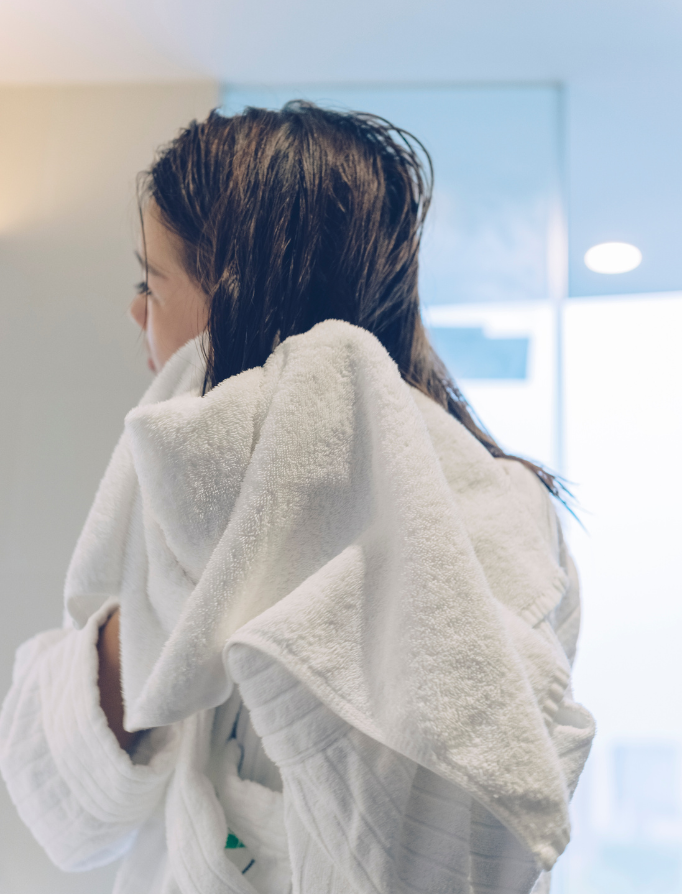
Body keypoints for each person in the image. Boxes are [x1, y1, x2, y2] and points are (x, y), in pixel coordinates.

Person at [0, 103, 594, 894]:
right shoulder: (181, 505)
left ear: (235, 299)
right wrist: (170, 595)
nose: (137, 313)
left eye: (153, 281)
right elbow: (67, 805)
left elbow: (462, 843)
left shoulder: (490, 518)